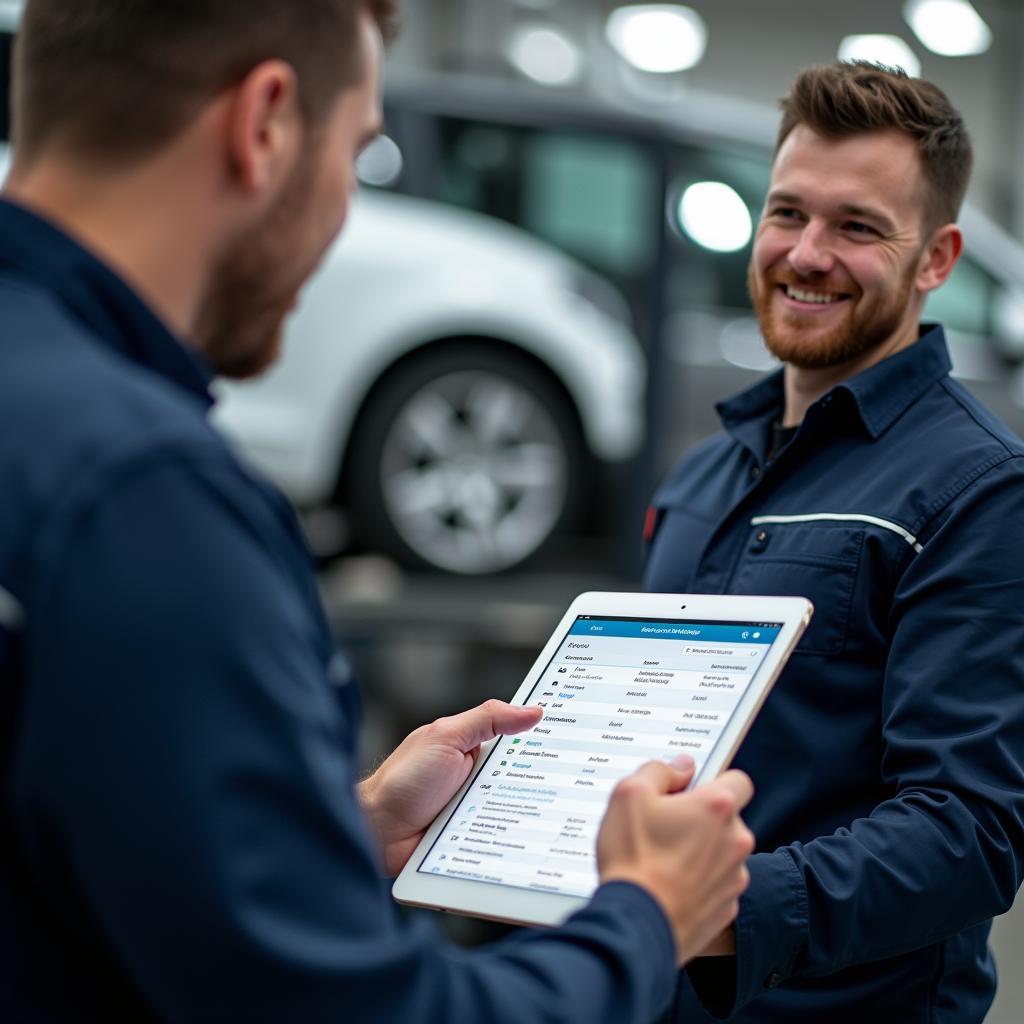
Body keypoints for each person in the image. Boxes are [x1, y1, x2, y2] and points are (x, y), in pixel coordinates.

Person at [0, 2, 757, 1022]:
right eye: (356, 152)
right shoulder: (149, 499)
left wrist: (336, 835)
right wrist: (645, 912)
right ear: (264, 121)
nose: (347, 213)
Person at [645, 61, 1024, 1023]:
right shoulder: (700, 480)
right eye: (786, 213)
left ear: (937, 259)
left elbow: (968, 832)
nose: (806, 254)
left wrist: (714, 908)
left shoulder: (981, 491)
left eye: (856, 226)